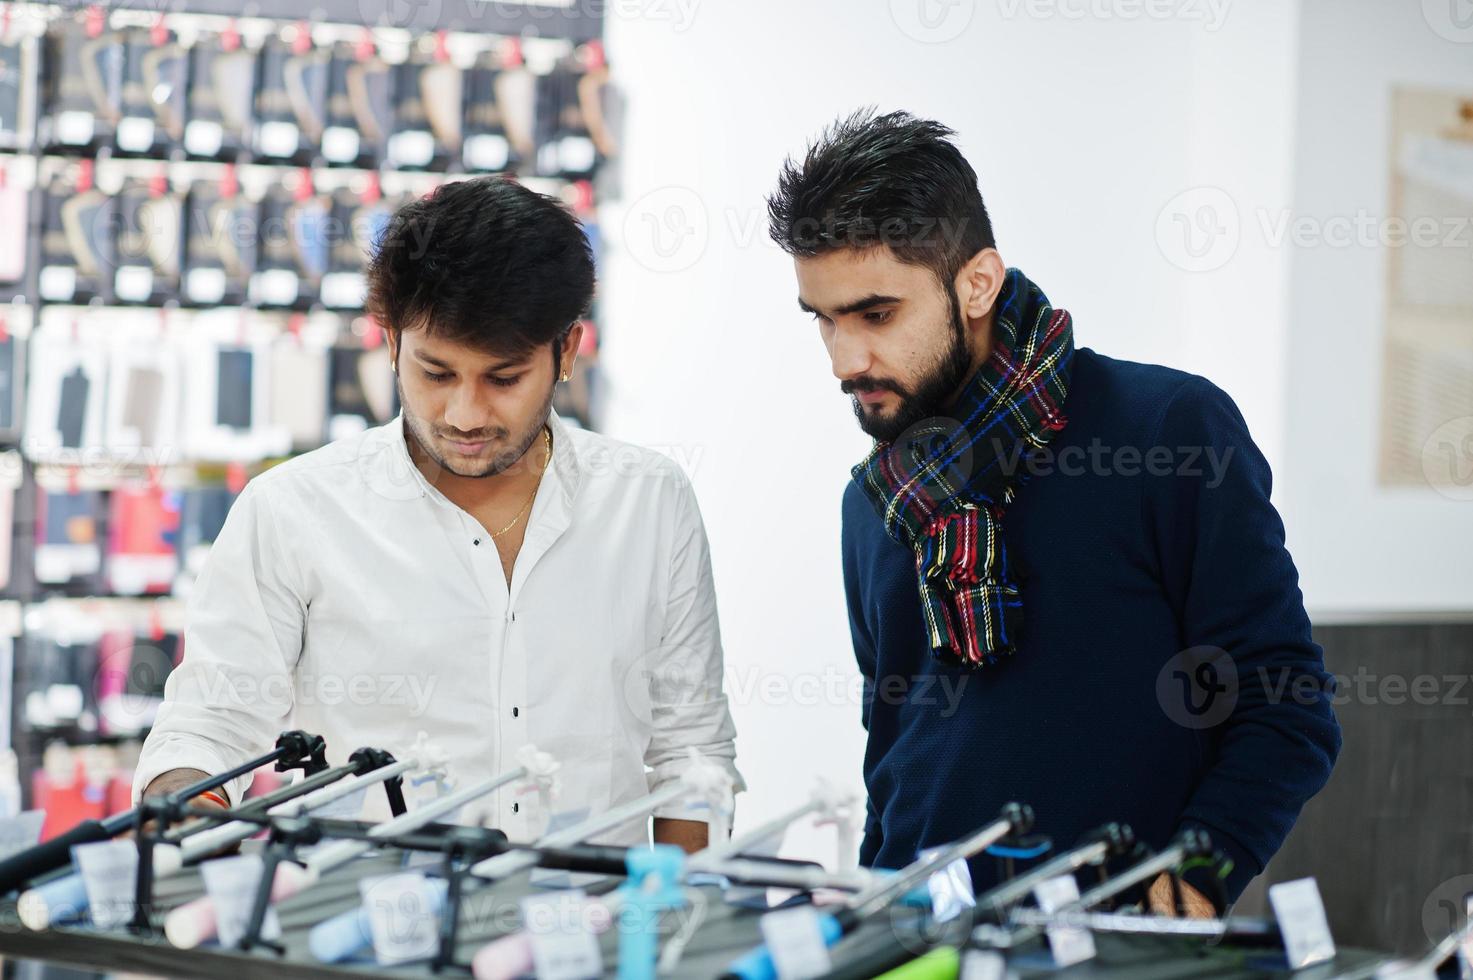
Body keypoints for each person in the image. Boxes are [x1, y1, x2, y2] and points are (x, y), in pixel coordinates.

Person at [766, 109, 1340, 912]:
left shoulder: (1165, 432)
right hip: (913, 937)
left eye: (876, 314)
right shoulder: (873, 502)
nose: (844, 360)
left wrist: (1198, 875)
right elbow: (895, 752)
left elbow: (1285, 705)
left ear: (976, 282)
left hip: (1110, 944)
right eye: (822, 320)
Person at [134, 176, 742, 851]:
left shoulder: (648, 502)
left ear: (566, 351)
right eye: (436, 373)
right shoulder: (293, 510)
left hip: (594, 940)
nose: (465, 415)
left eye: (503, 378)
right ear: (391, 342)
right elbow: (211, 720)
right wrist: (183, 812)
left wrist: (680, 922)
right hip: (364, 934)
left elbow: (691, 751)